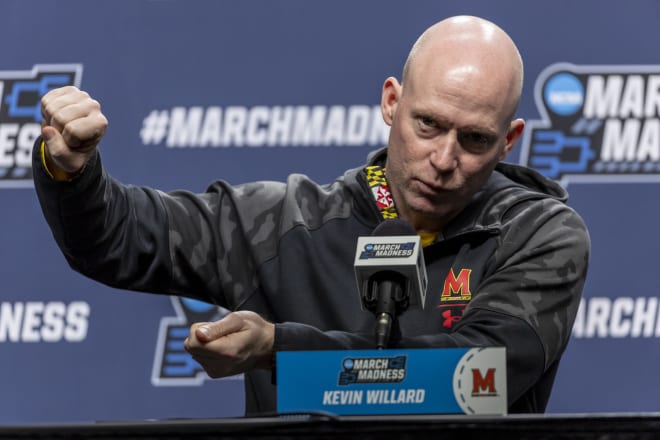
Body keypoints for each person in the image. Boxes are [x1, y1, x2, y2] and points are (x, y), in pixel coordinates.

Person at [32, 15, 589, 414]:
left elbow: (478, 376)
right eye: (427, 125)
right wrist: (73, 173)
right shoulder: (284, 223)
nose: (444, 160)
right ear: (392, 103)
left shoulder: (538, 233)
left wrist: (280, 347)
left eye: (473, 139)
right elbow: (119, 238)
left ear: (510, 140)